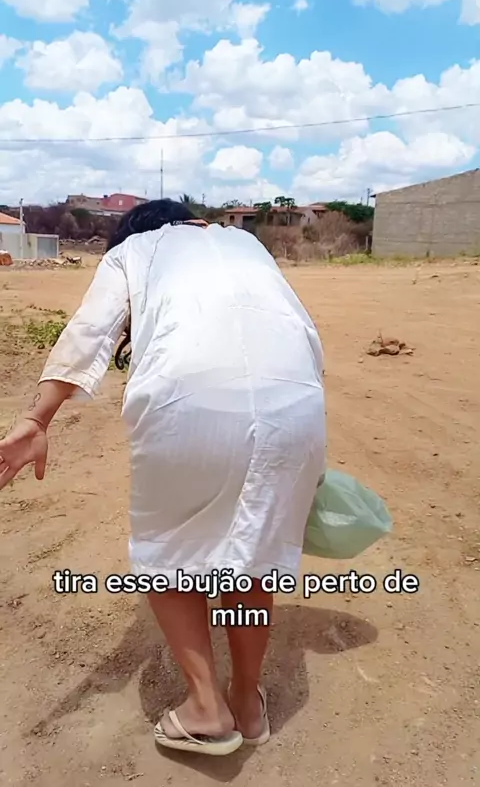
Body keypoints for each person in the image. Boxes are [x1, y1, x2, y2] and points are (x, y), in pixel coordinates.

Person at [0, 199, 326, 756]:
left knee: (169, 558)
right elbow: (302, 331)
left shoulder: (134, 250)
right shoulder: (248, 244)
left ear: (136, 230)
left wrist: (37, 419)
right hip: (295, 407)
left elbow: (89, 332)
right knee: (253, 558)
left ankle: (206, 708)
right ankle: (248, 704)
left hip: (186, 402)